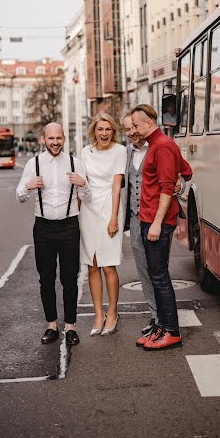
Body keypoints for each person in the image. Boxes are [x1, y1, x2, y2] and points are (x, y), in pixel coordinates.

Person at [16, 122, 91, 346]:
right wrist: (28, 186)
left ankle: (70, 327)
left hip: (69, 226)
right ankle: (51, 325)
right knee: (46, 278)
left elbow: (87, 197)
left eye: (59, 138)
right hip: (43, 227)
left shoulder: (75, 163)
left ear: (64, 139)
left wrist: (83, 184)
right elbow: (19, 196)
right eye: (51, 139)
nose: (55, 142)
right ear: (43, 139)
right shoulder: (34, 164)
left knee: (70, 278)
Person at [130, 104, 192, 351]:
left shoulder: (163, 146)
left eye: (135, 125)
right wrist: (178, 179)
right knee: (156, 277)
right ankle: (162, 326)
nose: (133, 129)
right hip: (147, 219)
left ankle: (172, 331)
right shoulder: (156, 145)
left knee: (160, 277)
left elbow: (168, 188)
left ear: (147, 122)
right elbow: (186, 170)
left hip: (157, 222)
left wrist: (156, 223)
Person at [79, 113, 127, 336]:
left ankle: (113, 312)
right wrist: (75, 212)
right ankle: (98, 314)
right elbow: (82, 184)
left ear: (113, 131)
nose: (104, 133)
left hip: (109, 206)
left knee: (108, 265)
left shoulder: (120, 151)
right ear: (94, 131)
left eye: (108, 129)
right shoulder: (85, 152)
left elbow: (116, 186)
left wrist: (114, 218)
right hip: (88, 209)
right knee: (92, 264)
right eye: (100, 129)